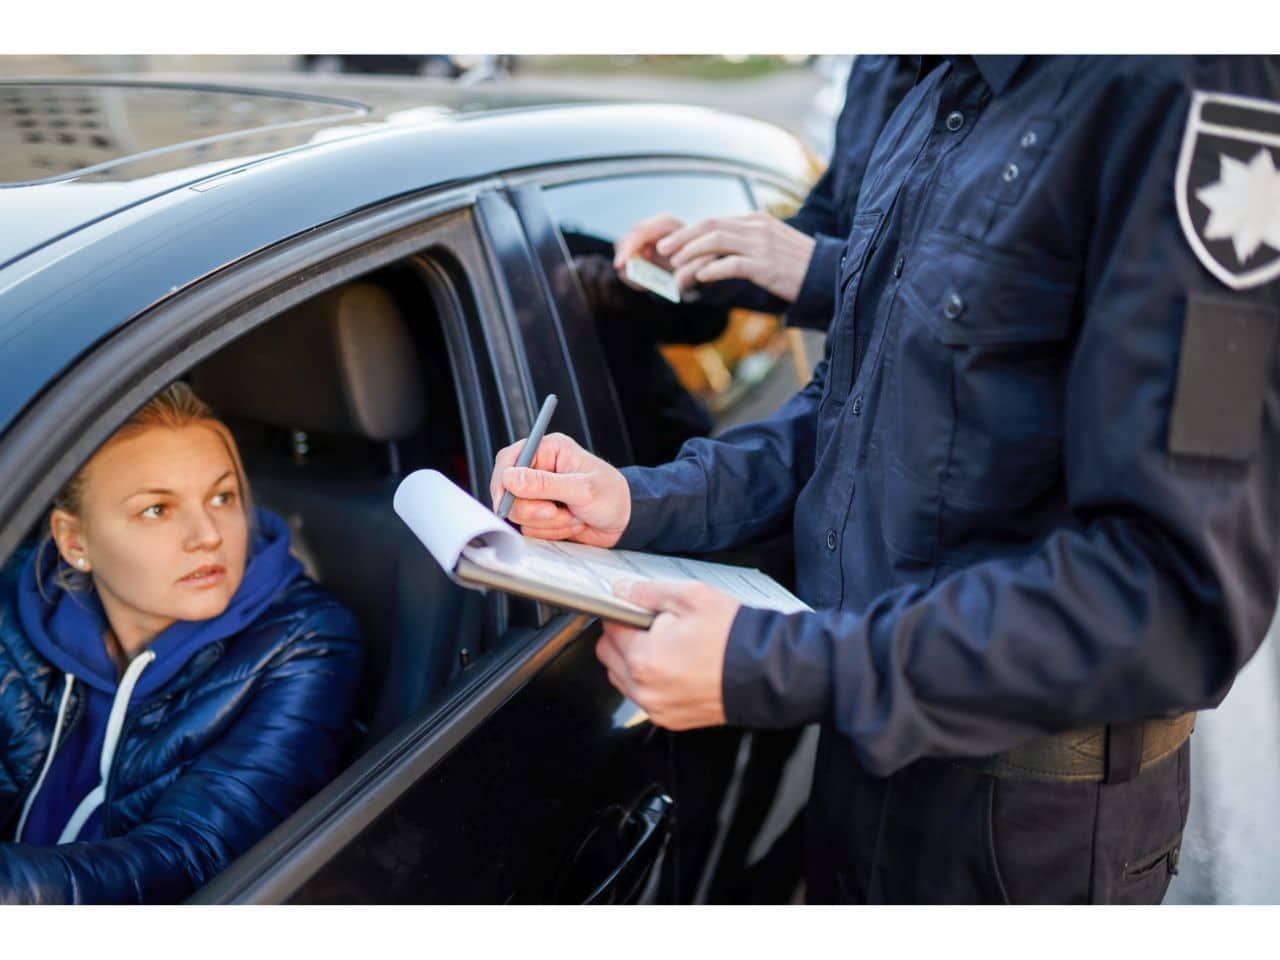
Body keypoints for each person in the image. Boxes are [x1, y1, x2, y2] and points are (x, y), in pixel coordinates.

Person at [492, 56, 1280, 903]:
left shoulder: (1190, 92)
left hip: (1026, 827)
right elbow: (849, 409)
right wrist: (636, 500)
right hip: (864, 757)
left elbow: (1172, 599)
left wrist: (774, 664)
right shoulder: (930, 89)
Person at [0, 382, 362, 904]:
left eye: (222, 497)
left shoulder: (305, 643)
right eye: (157, 509)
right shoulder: (16, 604)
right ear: (74, 542)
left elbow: (192, 855)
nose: (208, 534)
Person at [612, 54, 918, 331]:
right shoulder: (876, 64)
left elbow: (959, 307)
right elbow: (829, 219)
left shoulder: (962, 82)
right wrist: (698, 254)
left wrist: (823, 272)